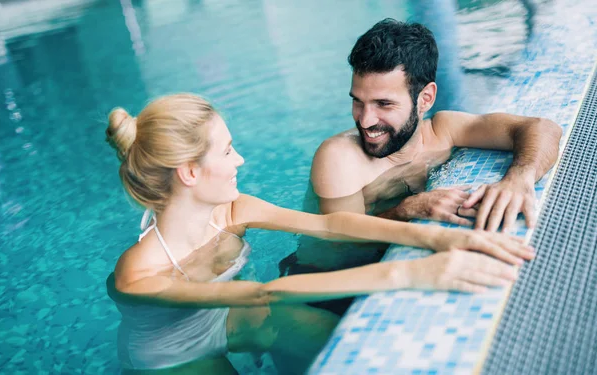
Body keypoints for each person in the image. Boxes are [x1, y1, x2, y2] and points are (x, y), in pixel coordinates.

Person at [105, 94, 534, 374]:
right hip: (171, 354)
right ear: (190, 172)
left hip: (223, 314)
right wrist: (410, 273)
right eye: (228, 150)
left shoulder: (233, 210)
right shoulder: (137, 273)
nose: (241, 159)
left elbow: (330, 225)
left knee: (341, 347)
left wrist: (437, 238)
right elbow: (262, 293)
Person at [311, 19, 562, 232]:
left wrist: (519, 178)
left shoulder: (443, 130)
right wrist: (406, 210)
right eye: (358, 102)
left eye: (384, 104)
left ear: (425, 99)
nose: (365, 120)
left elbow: (544, 128)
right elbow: (339, 242)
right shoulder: (340, 157)